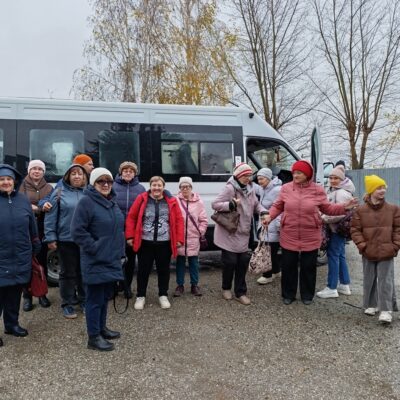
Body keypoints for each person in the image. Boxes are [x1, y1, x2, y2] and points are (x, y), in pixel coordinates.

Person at [263, 160, 357, 305]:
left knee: (308, 267)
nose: (295, 175)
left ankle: (307, 295)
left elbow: (328, 208)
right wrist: (270, 216)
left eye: (299, 173)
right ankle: (288, 294)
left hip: (310, 234)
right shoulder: (286, 188)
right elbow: (278, 205)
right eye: (294, 172)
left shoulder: (317, 189)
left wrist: (345, 207)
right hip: (289, 232)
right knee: (288, 266)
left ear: (307, 174)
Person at [71, 168, 125, 351]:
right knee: (94, 300)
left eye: (108, 181)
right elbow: (77, 231)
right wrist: (95, 247)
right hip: (95, 259)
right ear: (93, 184)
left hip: (111, 258)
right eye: (100, 181)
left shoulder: (111, 202)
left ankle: (101, 328)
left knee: (104, 297)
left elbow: (117, 230)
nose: (105, 184)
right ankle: (93, 337)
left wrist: (121, 252)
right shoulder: (86, 202)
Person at [125, 176, 184, 310]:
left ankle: (163, 295)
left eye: (159, 185)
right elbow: (131, 217)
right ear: (150, 186)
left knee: (164, 270)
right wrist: (129, 236)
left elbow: (179, 220)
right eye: (154, 185)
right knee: (143, 271)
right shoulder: (141, 199)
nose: (156, 188)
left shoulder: (172, 201)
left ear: (163, 187)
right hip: (145, 243)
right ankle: (141, 296)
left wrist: (179, 239)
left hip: (165, 243)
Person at [212, 163, 265, 305]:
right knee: (230, 262)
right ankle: (226, 288)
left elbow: (256, 205)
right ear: (238, 176)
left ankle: (240, 292)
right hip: (228, 232)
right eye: (245, 175)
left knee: (242, 263)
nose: (248, 178)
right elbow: (215, 204)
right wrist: (230, 204)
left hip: (244, 232)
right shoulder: (230, 188)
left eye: (249, 175)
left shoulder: (250, 188)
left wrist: (264, 212)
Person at [0, 164, 41, 346]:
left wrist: (35, 243)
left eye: (8, 179)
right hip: (1, 257)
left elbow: (32, 225)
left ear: (14, 181)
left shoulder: (23, 200)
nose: (6, 182)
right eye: (1, 179)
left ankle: (12, 324)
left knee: (14, 293)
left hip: (20, 256)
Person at [351, 175, 400, 324]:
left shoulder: (393, 209)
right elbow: (355, 230)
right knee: (369, 278)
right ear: (371, 190)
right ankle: (371, 304)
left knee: (386, 280)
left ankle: (386, 310)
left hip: (387, 251)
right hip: (368, 251)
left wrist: (395, 245)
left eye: (384, 187)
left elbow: (398, 229)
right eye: (379, 187)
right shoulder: (360, 210)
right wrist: (362, 246)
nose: (382, 190)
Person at [44, 164, 88, 319]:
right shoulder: (59, 192)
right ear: (68, 177)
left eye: (80, 174)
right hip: (65, 240)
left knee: (84, 272)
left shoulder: (89, 193)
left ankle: (84, 301)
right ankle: (67, 304)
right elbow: (50, 217)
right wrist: (50, 238)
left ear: (84, 177)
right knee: (67, 273)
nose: (77, 176)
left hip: (84, 241)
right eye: (73, 173)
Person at [19, 160, 53, 311]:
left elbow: (52, 204)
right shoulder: (21, 185)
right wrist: (39, 207)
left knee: (42, 262)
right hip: (24, 228)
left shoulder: (49, 187)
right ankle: (27, 296)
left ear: (43, 172)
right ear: (29, 170)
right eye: (34, 169)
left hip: (42, 228)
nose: (37, 171)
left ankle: (42, 294)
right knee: (27, 263)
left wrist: (44, 206)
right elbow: (20, 204)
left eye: (40, 169)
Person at [317, 165, 355, 299]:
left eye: (336, 178)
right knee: (340, 255)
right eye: (331, 178)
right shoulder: (335, 190)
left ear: (342, 179)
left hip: (337, 229)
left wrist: (324, 218)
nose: (333, 180)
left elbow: (342, 213)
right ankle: (344, 284)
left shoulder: (342, 193)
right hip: (337, 229)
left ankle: (332, 287)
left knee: (333, 255)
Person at [113, 161, 145, 298]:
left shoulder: (141, 189)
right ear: (120, 172)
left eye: (131, 171)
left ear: (135, 173)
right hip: (115, 229)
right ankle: (114, 288)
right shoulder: (112, 186)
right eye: (125, 170)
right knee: (115, 259)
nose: (127, 172)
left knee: (131, 260)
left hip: (133, 230)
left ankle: (126, 287)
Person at [174, 177, 208, 297]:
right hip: (180, 238)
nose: (185, 189)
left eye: (187, 187)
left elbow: (203, 220)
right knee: (180, 262)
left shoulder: (199, 202)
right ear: (179, 188)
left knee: (194, 262)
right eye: (182, 187)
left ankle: (194, 285)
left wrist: (201, 232)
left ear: (191, 188)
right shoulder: (175, 200)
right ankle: (180, 285)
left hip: (193, 237)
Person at [254, 168, 282, 285]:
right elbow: (253, 186)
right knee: (272, 250)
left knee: (268, 251)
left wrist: (278, 225)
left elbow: (281, 208)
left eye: (262, 179)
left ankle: (267, 275)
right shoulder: (263, 188)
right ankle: (276, 271)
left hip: (273, 224)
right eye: (258, 179)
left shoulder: (277, 190)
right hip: (265, 223)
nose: (259, 181)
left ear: (269, 178)